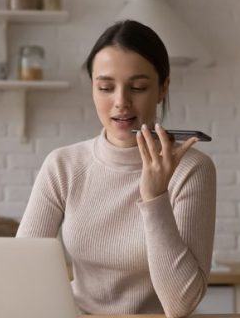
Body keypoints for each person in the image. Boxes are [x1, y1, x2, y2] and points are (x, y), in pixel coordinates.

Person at [17, 20, 216, 318]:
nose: (121, 102)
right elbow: (20, 269)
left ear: (163, 87)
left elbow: (180, 305)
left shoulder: (191, 169)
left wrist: (154, 196)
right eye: (106, 87)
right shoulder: (62, 165)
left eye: (138, 87)